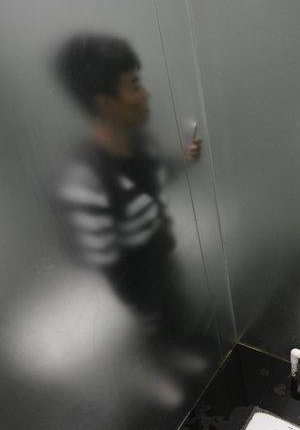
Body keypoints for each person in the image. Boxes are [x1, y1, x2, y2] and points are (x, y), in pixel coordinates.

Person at [54, 33, 202, 347]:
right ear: (105, 104)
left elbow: (156, 175)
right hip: (139, 283)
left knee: (174, 314)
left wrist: (186, 160)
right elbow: (107, 263)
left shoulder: (140, 144)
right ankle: (164, 368)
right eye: (134, 86)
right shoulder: (86, 181)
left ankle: (177, 351)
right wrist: (137, 302)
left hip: (162, 259)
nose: (146, 94)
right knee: (154, 329)